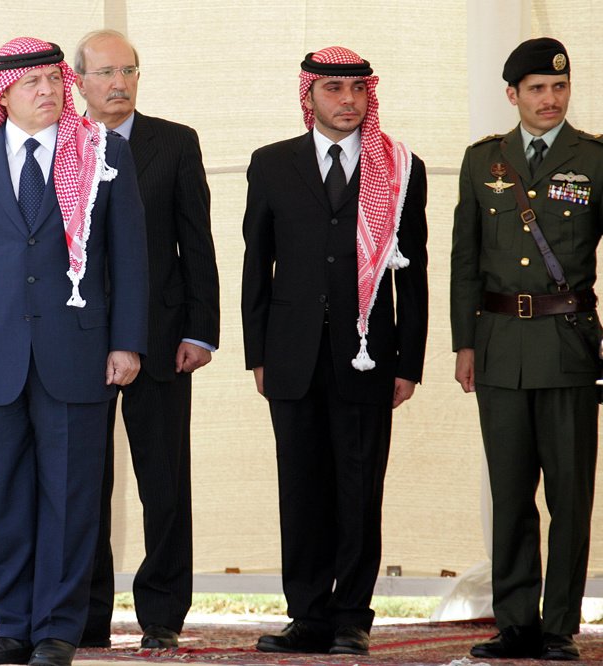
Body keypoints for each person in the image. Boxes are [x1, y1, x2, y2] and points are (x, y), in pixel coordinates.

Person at [0, 37, 148, 666]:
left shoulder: (104, 152)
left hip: (77, 352)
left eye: (54, 79)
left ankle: (57, 631)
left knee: (71, 497)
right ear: (4, 93)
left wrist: (127, 342)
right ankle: (13, 629)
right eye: (32, 83)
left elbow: (130, 257)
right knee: (2, 498)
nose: (48, 91)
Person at [241, 46, 428, 656]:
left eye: (358, 89)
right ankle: (308, 616)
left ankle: (352, 618)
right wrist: (257, 353)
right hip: (290, 354)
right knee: (300, 488)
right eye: (333, 89)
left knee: (358, 488)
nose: (348, 100)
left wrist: (409, 362)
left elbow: (413, 273)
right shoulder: (271, 164)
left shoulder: (400, 168)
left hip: (368, 354)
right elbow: (256, 263)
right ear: (309, 95)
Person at [451, 38, 602, 662]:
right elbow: (465, 261)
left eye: (559, 87)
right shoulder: (484, 160)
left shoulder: (593, 159)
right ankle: (515, 623)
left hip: (568, 347)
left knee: (569, 494)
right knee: (510, 492)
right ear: (512, 94)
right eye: (537, 88)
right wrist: (464, 343)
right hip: (500, 348)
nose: (550, 98)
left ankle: (559, 625)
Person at [72, 29, 220, 649]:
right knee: (84, 485)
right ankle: (86, 617)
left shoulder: (175, 142)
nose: (119, 84)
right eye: (106, 73)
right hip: (79, 341)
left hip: (162, 339)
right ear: (79, 81)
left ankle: (161, 615)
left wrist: (201, 331)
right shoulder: (62, 145)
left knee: (164, 483)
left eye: (128, 72)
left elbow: (197, 242)